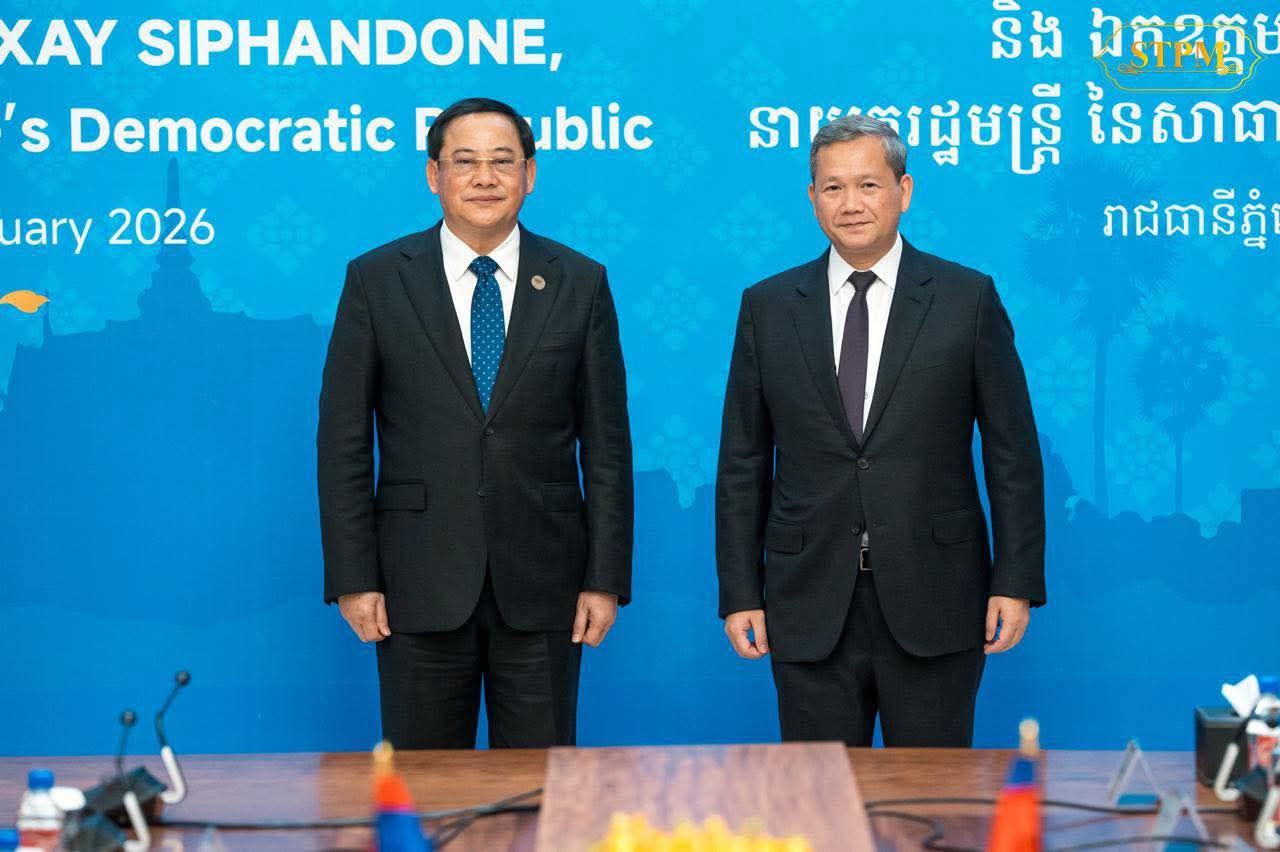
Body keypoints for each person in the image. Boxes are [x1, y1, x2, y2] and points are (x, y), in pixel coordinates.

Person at [715, 115, 1046, 747]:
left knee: (931, 795)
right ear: (812, 198)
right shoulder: (768, 306)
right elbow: (742, 463)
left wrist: (1015, 581)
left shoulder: (966, 298)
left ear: (904, 190)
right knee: (818, 795)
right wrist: (739, 592)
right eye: (833, 188)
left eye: (868, 184)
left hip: (937, 595)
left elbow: (1013, 455)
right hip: (807, 599)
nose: (851, 204)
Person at [317, 97, 633, 749]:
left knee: (540, 786)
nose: (485, 178)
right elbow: (343, 442)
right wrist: (354, 577)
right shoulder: (377, 279)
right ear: (434, 175)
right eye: (465, 162)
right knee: (425, 784)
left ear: (529, 174)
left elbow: (607, 448)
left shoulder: (579, 281)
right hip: (416, 583)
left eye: (502, 162)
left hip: (545, 586)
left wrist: (604, 579)